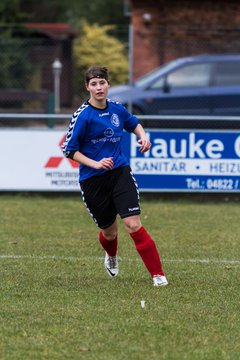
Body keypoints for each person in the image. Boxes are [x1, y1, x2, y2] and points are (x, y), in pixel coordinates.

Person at [62, 65, 168, 287]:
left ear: (108, 85)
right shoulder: (82, 116)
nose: (98, 87)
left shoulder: (117, 110)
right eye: (93, 84)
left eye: (102, 83)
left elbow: (134, 124)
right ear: (87, 87)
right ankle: (111, 255)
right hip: (92, 180)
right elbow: (69, 150)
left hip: (120, 173)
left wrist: (144, 136)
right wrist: (96, 164)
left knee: (133, 225)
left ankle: (158, 275)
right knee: (109, 233)